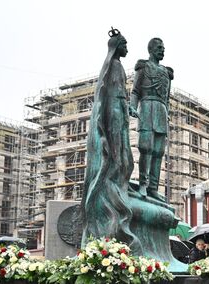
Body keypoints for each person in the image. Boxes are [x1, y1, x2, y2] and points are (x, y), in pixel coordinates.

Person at [82, 28, 139, 248]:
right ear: (117, 47)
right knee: (118, 158)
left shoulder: (118, 66)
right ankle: (114, 188)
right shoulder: (113, 66)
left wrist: (127, 108)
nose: (127, 48)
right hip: (114, 115)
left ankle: (120, 184)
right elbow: (108, 96)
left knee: (124, 158)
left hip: (120, 113)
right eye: (124, 45)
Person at [129, 37, 174, 200]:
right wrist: (132, 106)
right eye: (160, 47)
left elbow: (167, 98)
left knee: (158, 151)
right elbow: (135, 92)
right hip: (147, 107)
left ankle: (153, 188)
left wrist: (167, 114)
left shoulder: (167, 73)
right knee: (146, 148)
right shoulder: (143, 67)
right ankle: (143, 183)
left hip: (161, 111)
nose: (163, 50)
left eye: (164, 48)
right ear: (151, 49)